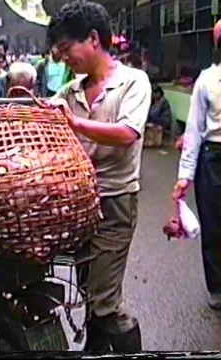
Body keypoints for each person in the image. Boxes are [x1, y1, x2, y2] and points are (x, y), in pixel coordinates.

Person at [48, 1, 151, 351]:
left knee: (104, 302)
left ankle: (129, 349)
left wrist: (75, 123)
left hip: (115, 201)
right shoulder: (69, 91)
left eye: (66, 49)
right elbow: (43, 115)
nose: (63, 58)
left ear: (93, 39)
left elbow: (127, 134)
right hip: (78, 207)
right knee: (87, 294)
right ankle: (94, 349)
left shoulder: (133, 82)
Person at [172, 19, 221, 311]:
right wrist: (184, 177)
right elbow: (193, 131)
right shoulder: (207, 80)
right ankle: (217, 287)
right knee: (215, 226)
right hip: (213, 158)